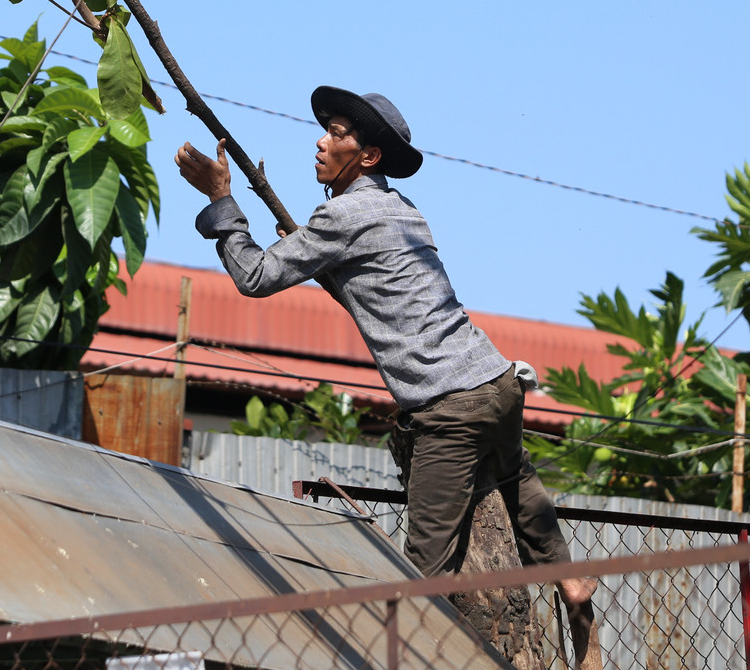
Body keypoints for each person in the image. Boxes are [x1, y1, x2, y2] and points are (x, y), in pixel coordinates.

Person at [175, 86, 595, 607]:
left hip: (450, 404)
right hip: (496, 377)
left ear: (368, 156)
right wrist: (307, 243)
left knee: (422, 574)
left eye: (336, 134)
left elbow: (256, 276)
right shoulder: (403, 209)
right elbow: (370, 280)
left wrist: (222, 203)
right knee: (515, 477)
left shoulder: (342, 218)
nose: (321, 143)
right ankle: (569, 578)